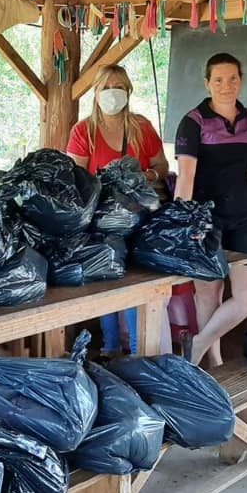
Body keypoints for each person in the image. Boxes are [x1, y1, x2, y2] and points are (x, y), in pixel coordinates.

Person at [66, 63, 169, 356]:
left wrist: (146, 175)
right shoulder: (83, 131)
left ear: (128, 91)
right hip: (102, 223)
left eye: (119, 87)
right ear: (96, 93)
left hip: (139, 217)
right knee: (107, 281)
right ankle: (111, 348)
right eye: (106, 88)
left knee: (138, 284)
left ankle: (137, 352)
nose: (113, 93)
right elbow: (76, 179)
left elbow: (162, 166)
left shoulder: (142, 128)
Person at [174, 53, 247, 367]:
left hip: (243, 218)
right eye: (218, 80)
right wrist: (181, 224)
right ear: (207, 83)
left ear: (241, 81)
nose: (226, 86)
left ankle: (197, 344)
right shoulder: (193, 121)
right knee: (208, 294)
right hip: (204, 219)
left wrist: (232, 187)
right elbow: (186, 176)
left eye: (233, 79)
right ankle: (212, 364)